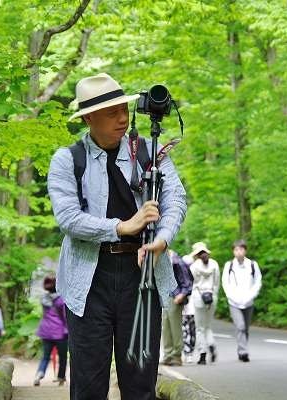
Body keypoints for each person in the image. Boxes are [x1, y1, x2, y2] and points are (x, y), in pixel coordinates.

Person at [47, 72, 186, 400]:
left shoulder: (150, 152)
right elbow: (68, 218)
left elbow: (175, 199)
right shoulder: (67, 160)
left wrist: (162, 239)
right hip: (88, 281)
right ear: (87, 117)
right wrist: (123, 226)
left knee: (140, 384)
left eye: (124, 109)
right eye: (112, 113)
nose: (123, 118)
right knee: (88, 384)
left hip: (143, 276)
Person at [222, 239, 262, 362]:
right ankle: (243, 352)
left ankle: (242, 348)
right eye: (236, 250)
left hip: (248, 301)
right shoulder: (229, 266)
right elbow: (225, 283)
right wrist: (231, 295)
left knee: (245, 328)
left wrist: (252, 295)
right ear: (233, 251)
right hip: (234, 302)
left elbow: (257, 281)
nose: (238, 252)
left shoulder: (252, 265)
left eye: (241, 249)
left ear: (245, 250)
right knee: (240, 326)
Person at [34, 275, 69, 386]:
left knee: (45, 356)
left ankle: (39, 374)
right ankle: (61, 377)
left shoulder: (44, 299)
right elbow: (65, 317)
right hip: (60, 333)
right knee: (63, 357)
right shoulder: (61, 300)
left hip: (46, 332)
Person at [161, 249, 193, 366]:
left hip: (175, 296)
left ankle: (176, 356)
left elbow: (187, 282)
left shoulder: (177, 261)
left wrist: (182, 294)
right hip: (166, 296)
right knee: (166, 327)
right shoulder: (165, 260)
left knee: (175, 327)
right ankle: (168, 355)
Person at [189, 242, 219, 365]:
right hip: (212, 296)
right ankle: (211, 344)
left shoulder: (194, 266)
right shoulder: (214, 264)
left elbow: (192, 283)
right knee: (208, 326)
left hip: (198, 297)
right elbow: (217, 283)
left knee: (200, 328)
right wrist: (214, 294)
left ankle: (202, 354)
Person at [181, 254, 196, 363]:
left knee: (191, 330)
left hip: (193, 307)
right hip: (186, 307)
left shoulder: (195, 272)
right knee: (186, 330)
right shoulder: (181, 275)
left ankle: (189, 352)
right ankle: (187, 352)